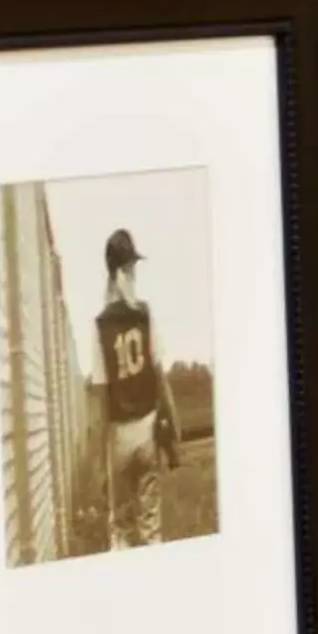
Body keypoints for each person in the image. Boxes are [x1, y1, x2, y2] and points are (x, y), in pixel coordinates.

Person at [93, 228, 182, 552]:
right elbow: (159, 375)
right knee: (151, 524)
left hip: (118, 433)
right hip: (147, 428)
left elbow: (102, 395)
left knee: (120, 527)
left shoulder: (100, 324)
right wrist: (173, 421)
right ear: (129, 268)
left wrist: (102, 456)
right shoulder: (145, 314)